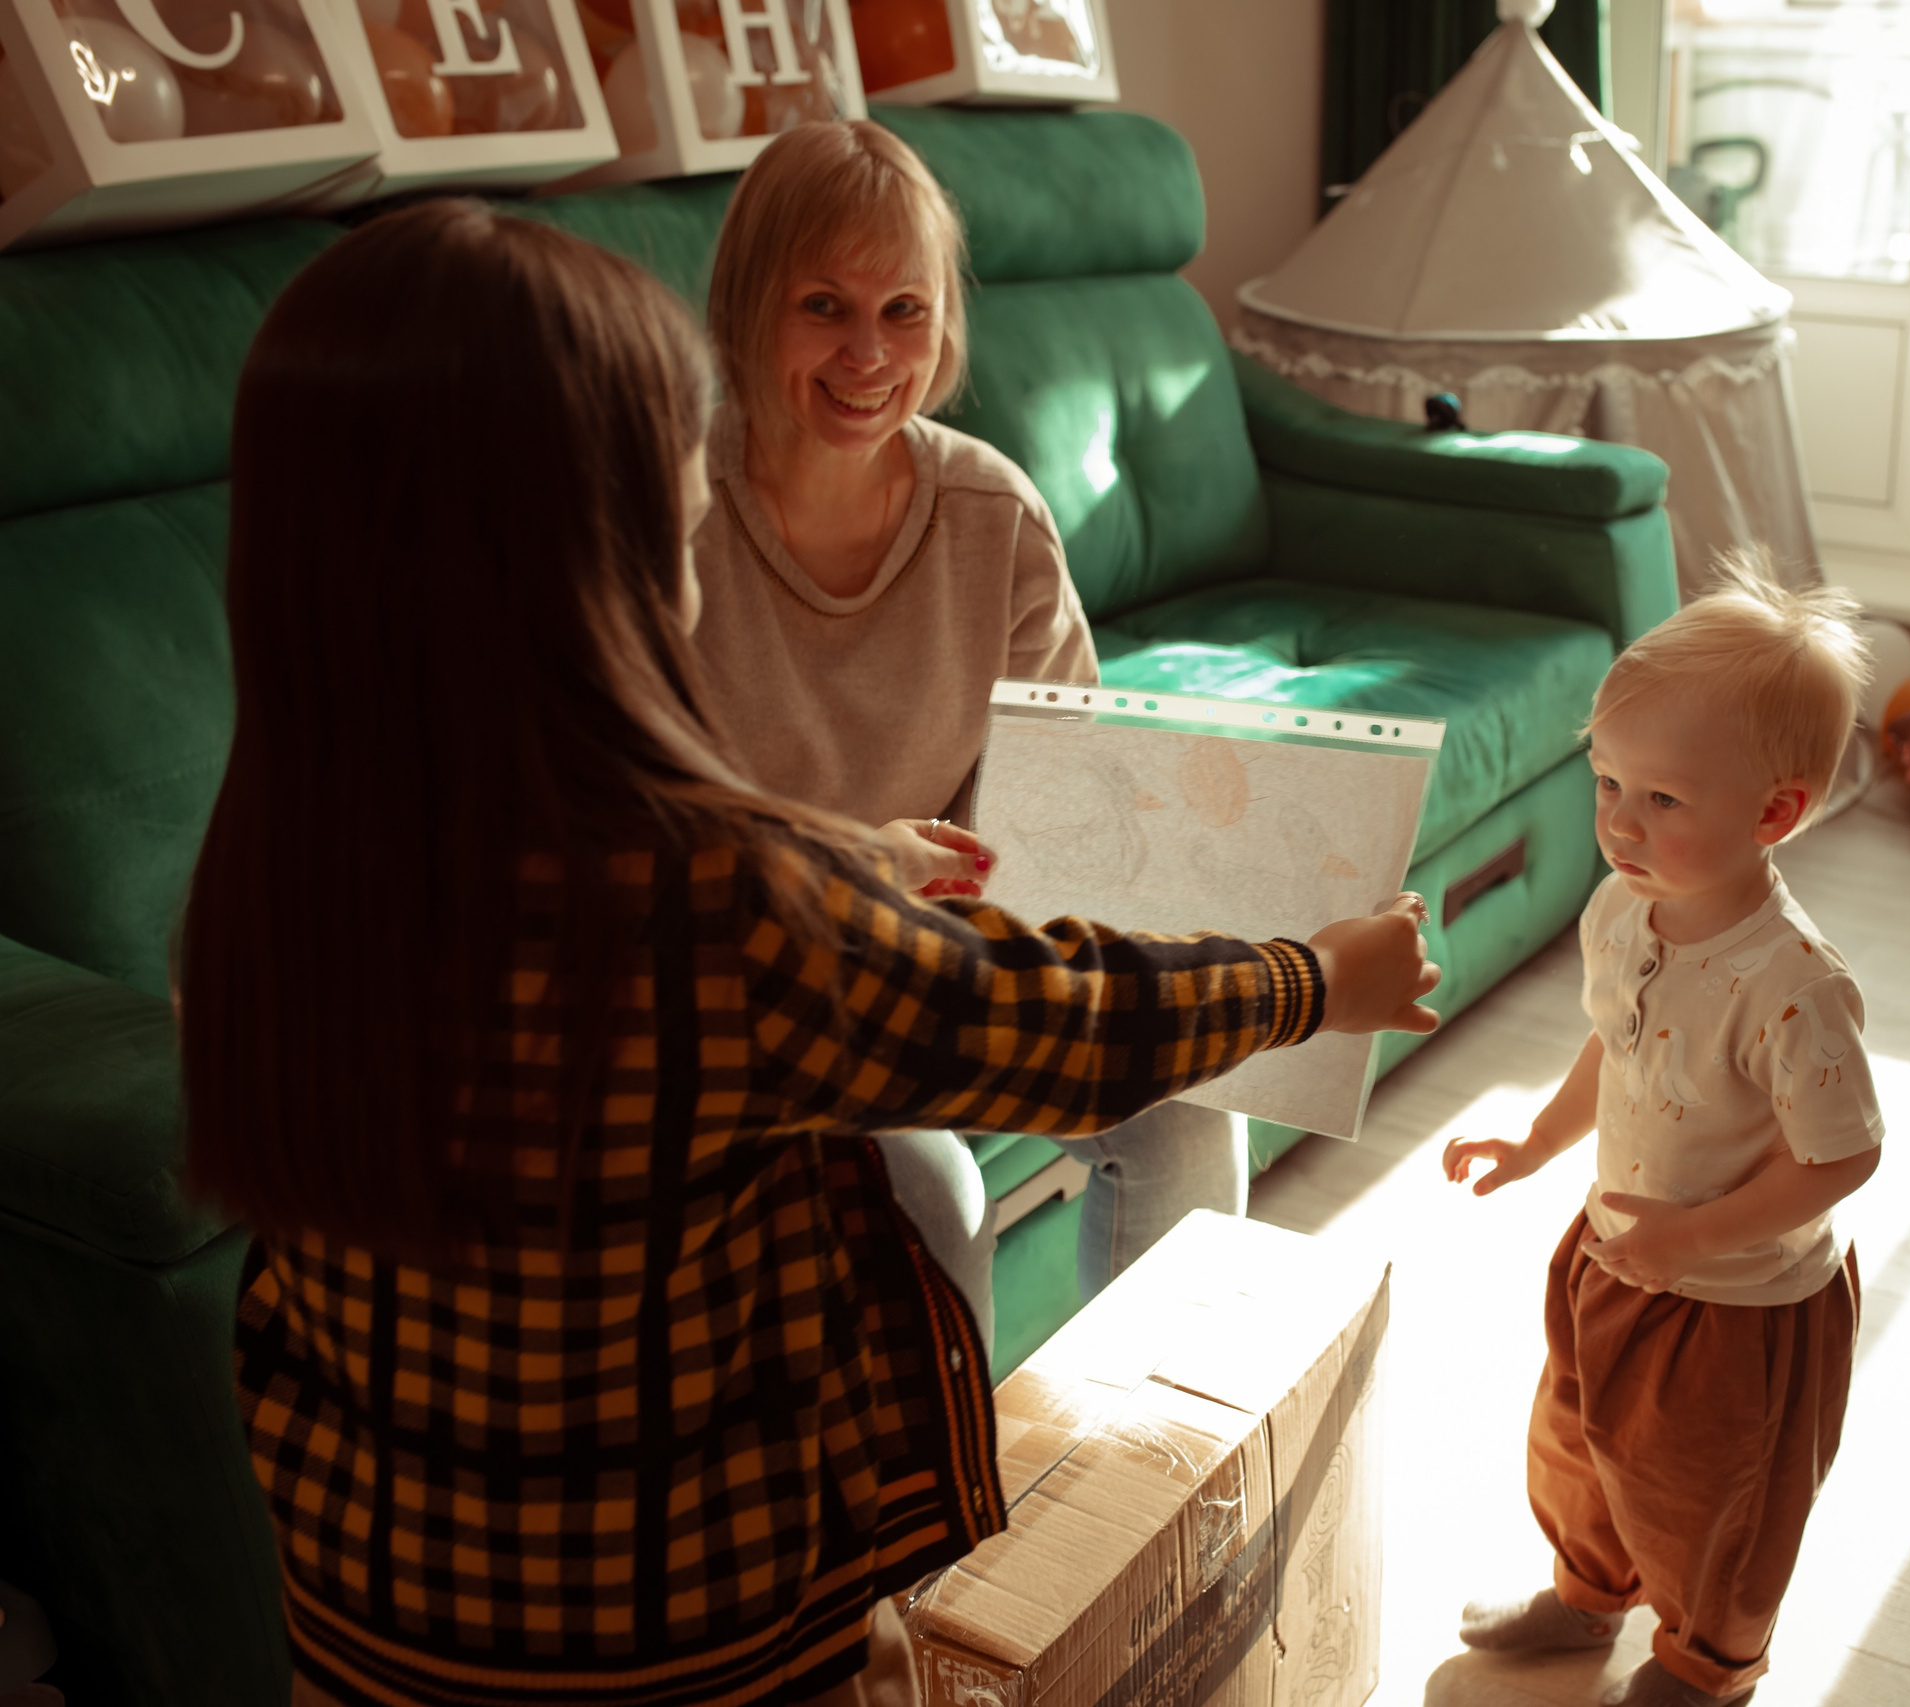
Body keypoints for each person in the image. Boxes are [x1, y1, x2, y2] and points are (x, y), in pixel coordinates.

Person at [179, 200, 1439, 1707]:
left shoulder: (285, 863)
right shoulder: (720, 910)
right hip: (682, 1648)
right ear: (592, 547)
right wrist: (1318, 974)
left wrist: (846, 860)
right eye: (667, 489)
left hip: (364, 1620)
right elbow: (1063, 1020)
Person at [685, 119, 1242, 1337]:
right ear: (743, 309)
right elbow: (639, 830)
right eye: (823, 306)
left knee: (1191, 1098)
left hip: (949, 958)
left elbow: (1083, 794)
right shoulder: (666, 515)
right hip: (757, 979)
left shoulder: (990, 509)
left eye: (905, 310)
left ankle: (1157, 1475)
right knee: (923, 1182)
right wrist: (855, 867)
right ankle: (953, 1525)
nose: (868, 354)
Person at [1440, 561, 1882, 1707]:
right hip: (1616, 1249)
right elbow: (1621, 1041)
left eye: (1664, 801)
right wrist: (1537, 1143)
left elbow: (1841, 1156)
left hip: (1739, 1302)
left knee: (1711, 1497)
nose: (1619, 825)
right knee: (1579, 1439)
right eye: (1607, 785)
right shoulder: (1625, 907)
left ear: (1775, 812)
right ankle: (1589, 1594)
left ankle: (1703, 1664)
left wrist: (1695, 1239)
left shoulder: (1791, 986)